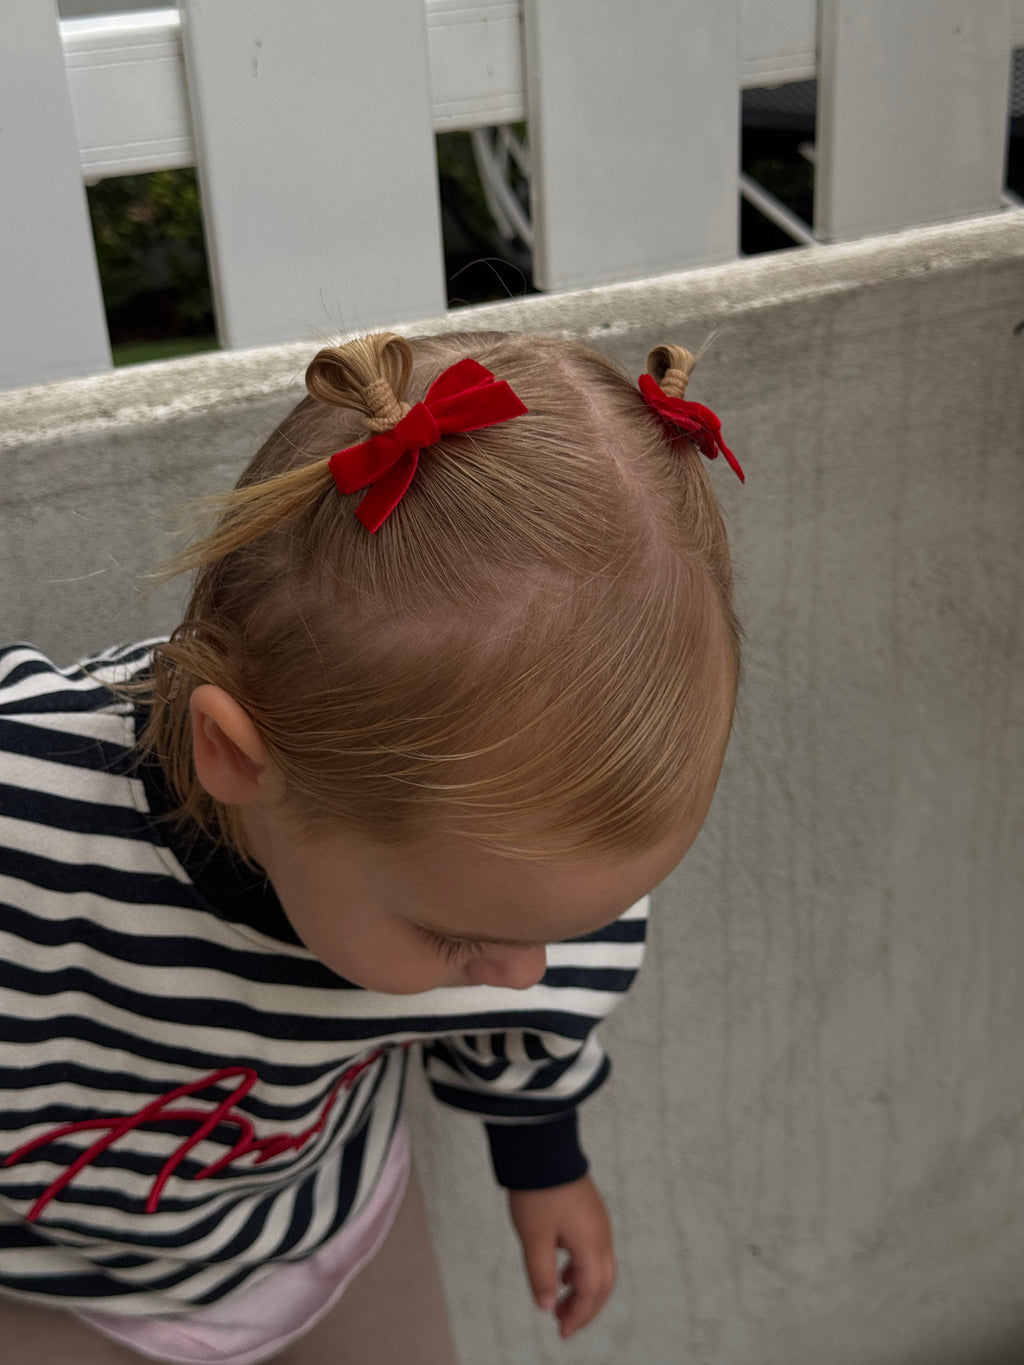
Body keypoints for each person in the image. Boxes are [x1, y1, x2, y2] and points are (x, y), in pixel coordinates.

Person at [0, 329, 743, 1365]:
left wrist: (543, 1161)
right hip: (47, 1287)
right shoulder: (25, 804)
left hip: (332, 1236)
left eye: (575, 927)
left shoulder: (521, 882)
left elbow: (529, 1018)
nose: (527, 972)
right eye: (458, 939)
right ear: (234, 756)